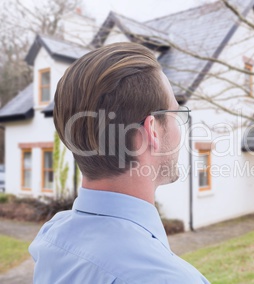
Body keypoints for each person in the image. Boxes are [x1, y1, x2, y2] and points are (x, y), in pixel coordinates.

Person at [29, 42, 210, 284]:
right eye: (176, 115)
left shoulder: (52, 237)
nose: (180, 129)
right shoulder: (172, 278)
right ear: (153, 130)